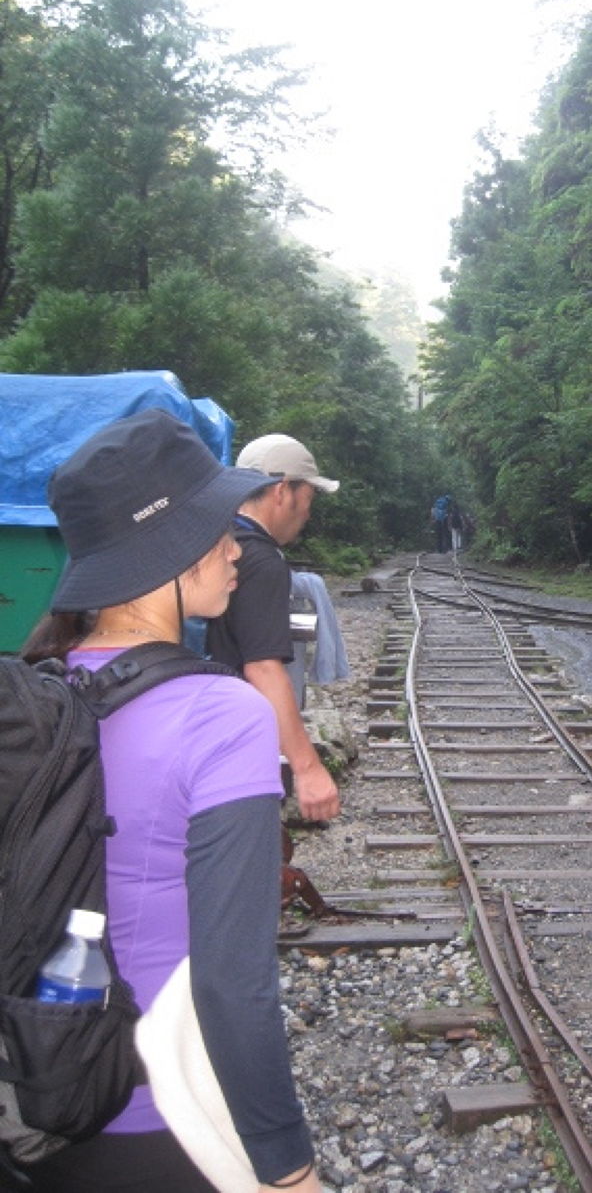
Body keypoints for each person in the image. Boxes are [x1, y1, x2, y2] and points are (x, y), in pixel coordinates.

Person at [23, 408, 324, 1193]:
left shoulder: (43, 688)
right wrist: (286, 1164)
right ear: (168, 550)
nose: (234, 547)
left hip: (40, 1084)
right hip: (161, 1108)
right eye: (217, 527)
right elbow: (234, 979)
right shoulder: (222, 715)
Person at [205, 434, 341, 824]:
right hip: (231, 738)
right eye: (309, 500)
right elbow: (263, 669)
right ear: (283, 491)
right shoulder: (262, 561)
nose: (308, 514)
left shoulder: (213, 538)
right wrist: (308, 768)